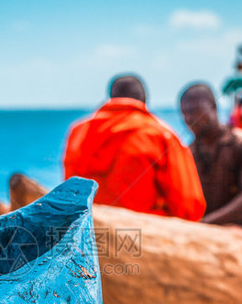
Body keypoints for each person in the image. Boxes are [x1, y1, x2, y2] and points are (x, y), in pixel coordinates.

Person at [63, 74, 205, 221]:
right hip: (143, 234)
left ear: (111, 98)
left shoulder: (77, 132)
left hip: (86, 230)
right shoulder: (160, 134)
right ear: (144, 100)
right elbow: (189, 208)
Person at [179, 82, 242, 232]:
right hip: (201, 236)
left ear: (213, 107)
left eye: (195, 111)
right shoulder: (187, 152)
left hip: (241, 236)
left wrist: (205, 224)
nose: (189, 118)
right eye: (184, 113)